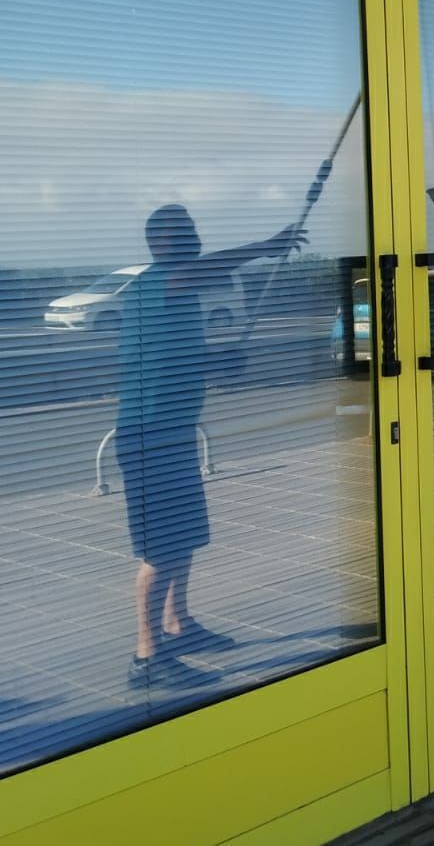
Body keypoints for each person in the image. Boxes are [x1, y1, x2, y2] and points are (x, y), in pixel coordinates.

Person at [117, 204, 305, 691]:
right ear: (160, 244)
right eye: (185, 233)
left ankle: (178, 624)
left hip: (173, 432)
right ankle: (146, 657)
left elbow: (177, 357)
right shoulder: (156, 283)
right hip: (148, 437)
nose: (196, 238)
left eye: (195, 230)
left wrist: (220, 362)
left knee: (184, 537)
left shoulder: (177, 296)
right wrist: (267, 247)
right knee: (160, 548)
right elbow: (202, 269)